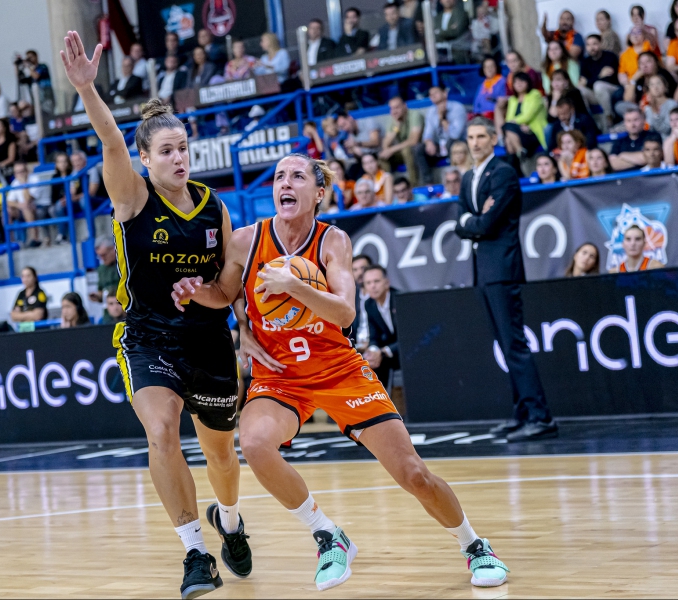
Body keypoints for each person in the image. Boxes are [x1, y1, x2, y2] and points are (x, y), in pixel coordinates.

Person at [171, 153, 510, 592]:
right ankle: (327, 534)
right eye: (279, 177)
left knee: (413, 474)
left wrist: (294, 285)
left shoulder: (333, 241)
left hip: (339, 370)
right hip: (280, 375)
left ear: (318, 193)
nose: (284, 183)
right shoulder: (246, 241)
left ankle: (474, 544)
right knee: (253, 443)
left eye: (297, 176)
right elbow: (224, 291)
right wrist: (201, 296)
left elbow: (345, 312)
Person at [61, 31, 252, 597]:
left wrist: (234, 320)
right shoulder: (133, 196)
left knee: (222, 454)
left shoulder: (213, 207)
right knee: (162, 431)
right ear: (145, 159)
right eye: (165, 151)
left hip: (208, 339)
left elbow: (229, 287)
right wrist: (87, 91)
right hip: (147, 336)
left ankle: (230, 521)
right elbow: (110, 140)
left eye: (183, 148)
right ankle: (195, 552)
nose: (178, 158)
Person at [455, 117, 556, 441]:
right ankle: (522, 413)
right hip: (483, 270)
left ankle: (541, 417)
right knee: (504, 345)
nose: (475, 143)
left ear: (493, 139)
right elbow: (459, 223)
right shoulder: (468, 177)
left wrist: (472, 220)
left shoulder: (503, 173)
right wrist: (474, 219)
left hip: (502, 268)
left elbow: (486, 224)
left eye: (481, 136)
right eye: (471, 137)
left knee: (514, 344)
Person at [413, 85, 467, 184]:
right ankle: (428, 184)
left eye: (436, 93)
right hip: (440, 147)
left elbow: (455, 135)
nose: (433, 96)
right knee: (419, 149)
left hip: (457, 144)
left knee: (451, 143)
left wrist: (442, 119)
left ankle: (455, 181)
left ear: (445, 93)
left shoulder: (457, 108)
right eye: (430, 94)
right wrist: (429, 142)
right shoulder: (431, 111)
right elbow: (427, 134)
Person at [361, 264, 399, 389]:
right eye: (368, 283)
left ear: (387, 283)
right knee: (369, 362)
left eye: (376, 281)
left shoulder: (399, 299)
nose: (372, 286)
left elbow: (409, 337)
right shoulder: (369, 304)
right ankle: (378, 399)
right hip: (387, 353)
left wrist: (383, 352)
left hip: (406, 349)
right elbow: (373, 336)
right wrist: (373, 351)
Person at [380, 96, 423, 184]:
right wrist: (396, 129)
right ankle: (388, 187)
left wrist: (391, 149)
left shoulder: (414, 115)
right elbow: (385, 145)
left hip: (418, 150)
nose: (394, 111)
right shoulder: (393, 120)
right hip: (401, 151)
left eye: (397, 107)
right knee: (382, 157)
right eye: (392, 108)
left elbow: (414, 140)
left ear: (404, 106)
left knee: (406, 151)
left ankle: (414, 185)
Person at [502, 72, 547, 157]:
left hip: (532, 130)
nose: (518, 84)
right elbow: (508, 118)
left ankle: (517, 157)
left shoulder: (535, 94)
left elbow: (527, 116)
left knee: (508, 131)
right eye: (516, 82)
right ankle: (520, 151)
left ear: (528, 82)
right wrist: (518, 125)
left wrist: (516, 123)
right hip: (517, 131)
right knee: (508, 135)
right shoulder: (512, 99)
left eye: (521, 81)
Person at [579, 34, 620, 125]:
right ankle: (587, 121)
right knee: (580, 90)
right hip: (595, 93)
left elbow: (608, 79)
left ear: (601, 44)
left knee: (599, 85)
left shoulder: (610, 56)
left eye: (594, 44)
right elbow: (582, 83)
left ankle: (609, 118)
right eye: (588, 45)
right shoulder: (585, 61)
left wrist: (589, 81)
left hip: (611, 89)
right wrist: (599, 75)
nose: (591, 47)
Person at [609, 108, 662, 172]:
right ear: (624, 123)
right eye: (628, 121)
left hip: (648, 175)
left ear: (643, 120)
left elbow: (651, 157)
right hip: (625, 177)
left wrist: (622, 155)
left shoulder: (652, 136)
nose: (632, 124)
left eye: (635, 120)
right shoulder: (619, 141)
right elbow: (612, 164)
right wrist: (639, 160)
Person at [89, 236, 120, 303]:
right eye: (99, 256)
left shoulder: (124, 265)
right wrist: (97, 296)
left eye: (104, 255)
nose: (102, 258)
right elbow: (101, 290)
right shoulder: (101, 269)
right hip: (108, 306)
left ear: (113, 249)